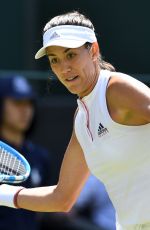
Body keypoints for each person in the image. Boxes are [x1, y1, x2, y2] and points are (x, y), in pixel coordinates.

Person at [0, 10, 150, 230]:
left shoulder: (116, 89)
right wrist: (3, 194)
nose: (64, 68)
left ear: (93, 50)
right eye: (55, 60)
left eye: (71, 55)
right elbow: (62, 198)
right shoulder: (81, 118)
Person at [0, 76, 53, 230]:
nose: (25, 110)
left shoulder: (41, 157)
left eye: (29, 103)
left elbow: (41, 213)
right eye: (17, 103)